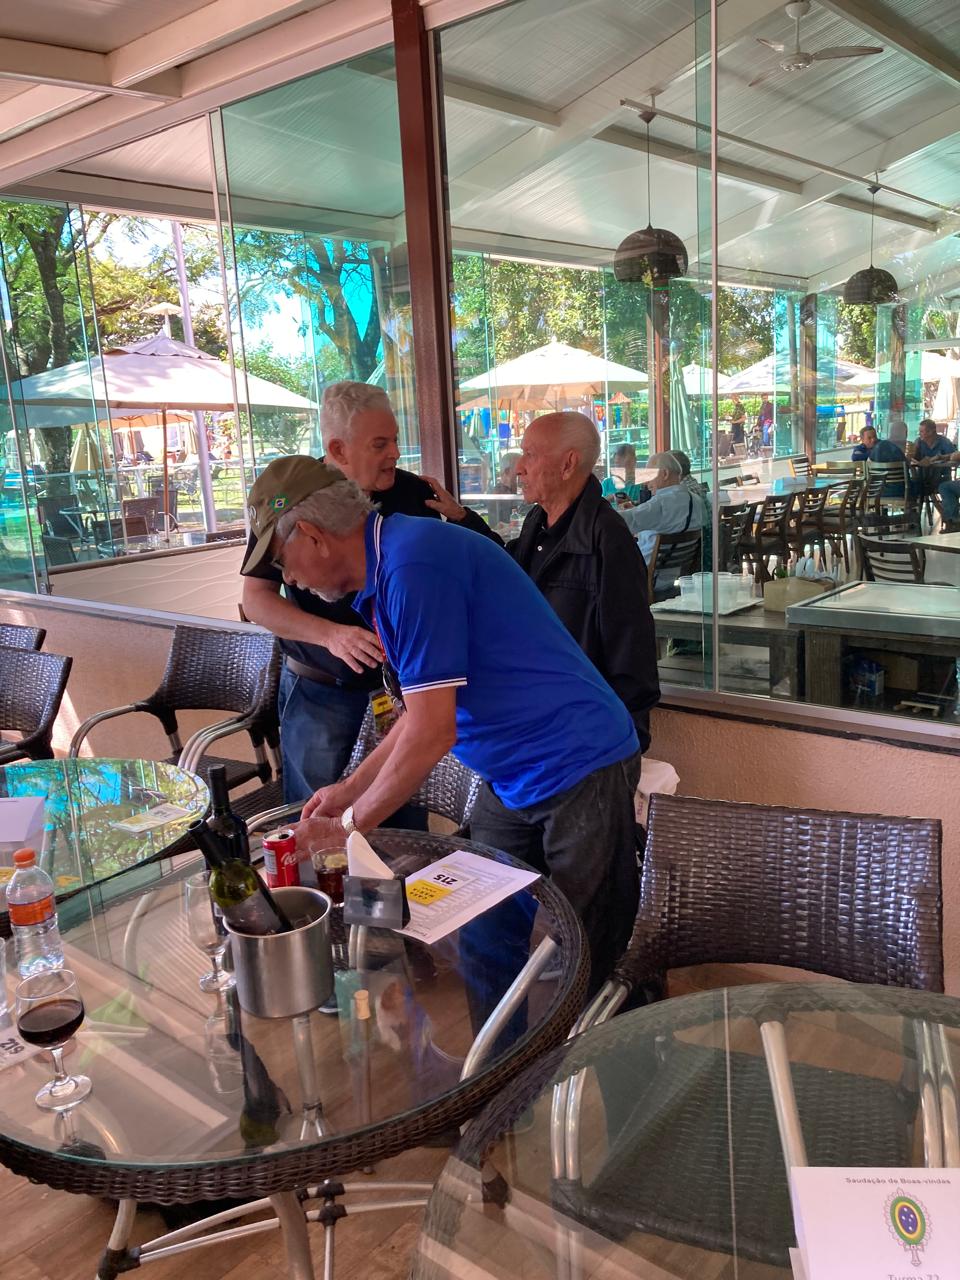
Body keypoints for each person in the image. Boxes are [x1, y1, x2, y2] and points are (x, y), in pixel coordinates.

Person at [242, 458, 642, 990]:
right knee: (485, 933)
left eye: (280, 560)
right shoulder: (391, 562)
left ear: (314, 537)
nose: (286, 579)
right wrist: (348, 790)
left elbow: (434, 732)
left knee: (587, 951)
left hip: (578, 762)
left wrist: (345, 828)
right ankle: (504, 1045)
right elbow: (417, 714)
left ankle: (605, 1039)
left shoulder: (413, 565)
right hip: (511, 773)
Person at [240, 381, 500, 803]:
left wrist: (462, 517)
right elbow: (256, 600)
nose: (395, 453)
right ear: (338, 450)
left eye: (395, 440)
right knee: (316, 808)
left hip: (401, 692)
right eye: (380, 444)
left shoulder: (414, 493)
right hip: (322, 690)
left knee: (399, 808)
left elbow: (475, 567)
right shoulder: (289, 498)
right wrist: (330, 635)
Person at [509, 411, 659, 750]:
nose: (519, 467)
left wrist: (617, 744)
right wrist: (463, 520)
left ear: (567, 465)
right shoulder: (537, 523)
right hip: (540, 722)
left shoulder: (607, 538)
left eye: (529, 454)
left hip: (587, 735)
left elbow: (631, 654)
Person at [618, 450, 706, 565]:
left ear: (665, 474)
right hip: (678, 570)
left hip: (644, 571)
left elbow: (620, 521)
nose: (646, 482)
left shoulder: (661, 503)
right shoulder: (697, 501)